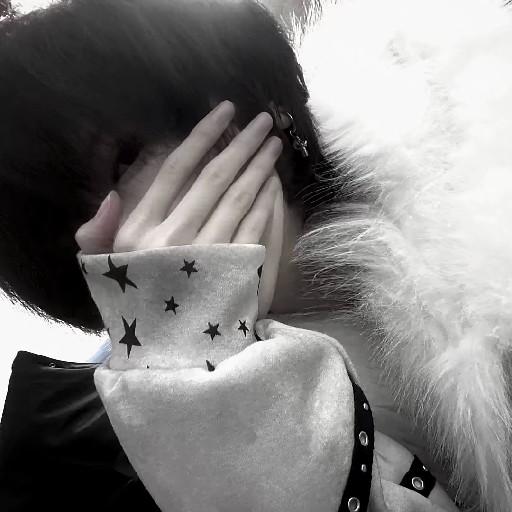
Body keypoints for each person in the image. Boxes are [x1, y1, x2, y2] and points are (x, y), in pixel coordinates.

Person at [0, 0, 465, 510]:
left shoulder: (472, 140)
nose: (113, 241)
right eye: (64, 237)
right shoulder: (95, 468)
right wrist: (214, 410)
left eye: (124, 160)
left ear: (242, 103)